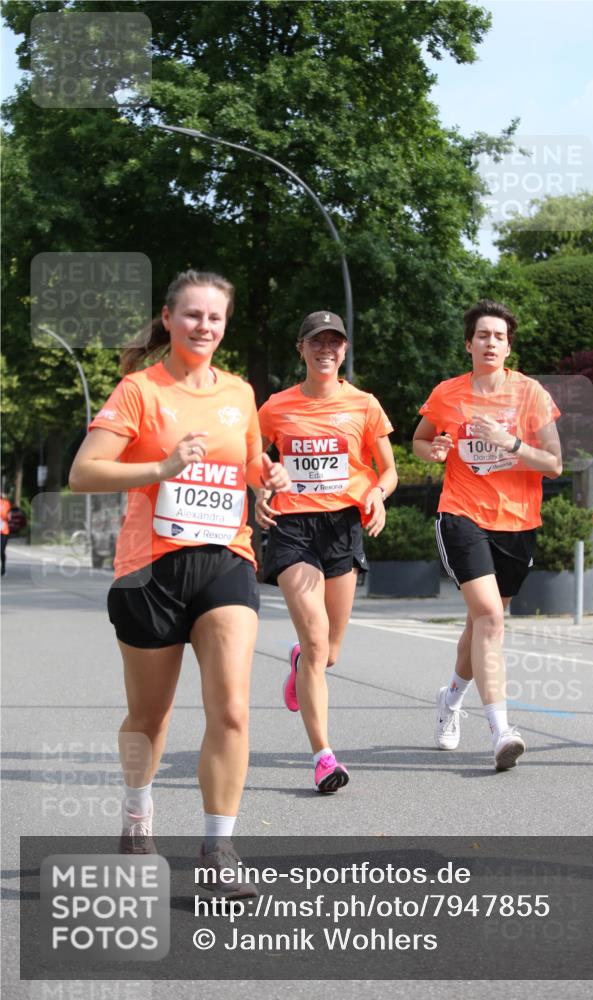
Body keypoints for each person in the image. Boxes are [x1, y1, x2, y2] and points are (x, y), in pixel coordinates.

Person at [69, 270, 290, 888]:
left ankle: (218, 849)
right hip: (149, 569)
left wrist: (265, 478)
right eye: (193, 315)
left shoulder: (241, 393)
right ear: (168, 319)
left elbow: (248, 461)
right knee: (150, 717)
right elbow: (84, 473)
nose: (205, 327)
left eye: (215, 318)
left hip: (226, 558)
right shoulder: (140, 390)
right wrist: (161, 466)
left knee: (233, 709)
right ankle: (138, 810)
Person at [413, 299, 562, 770]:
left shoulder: (531, 394)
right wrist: (432, 450)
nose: (490, 342)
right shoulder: (448, 394)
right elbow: (420, 440)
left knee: (482, 624)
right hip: (461, 514)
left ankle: (450, 699)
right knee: (491, 618)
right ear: (469, 344)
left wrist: (511, 443)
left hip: (518, 523)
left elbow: (554, 463)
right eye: (483, 335)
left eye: (499, 336)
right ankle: (502, 730)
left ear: (508, 345)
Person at [255, 311, 397, 792]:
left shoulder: (364, 404)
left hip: (342, 527)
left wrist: (377, 494)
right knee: (317, 642)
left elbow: (388, 471)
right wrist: (259, 490)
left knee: (329, 653)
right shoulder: (276, 407)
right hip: (293, 527)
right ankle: (323, 756)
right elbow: (253, 460)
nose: (326, 350)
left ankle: (301, 664)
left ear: (344, 351)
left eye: (335, 342)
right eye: (317, 341)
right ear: (302, 349)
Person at [0, 494, 11, 576]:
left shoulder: (6, 503)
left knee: (1, 550)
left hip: (4, 531)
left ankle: (3, 567)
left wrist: (8, 517)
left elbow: (8, 516)